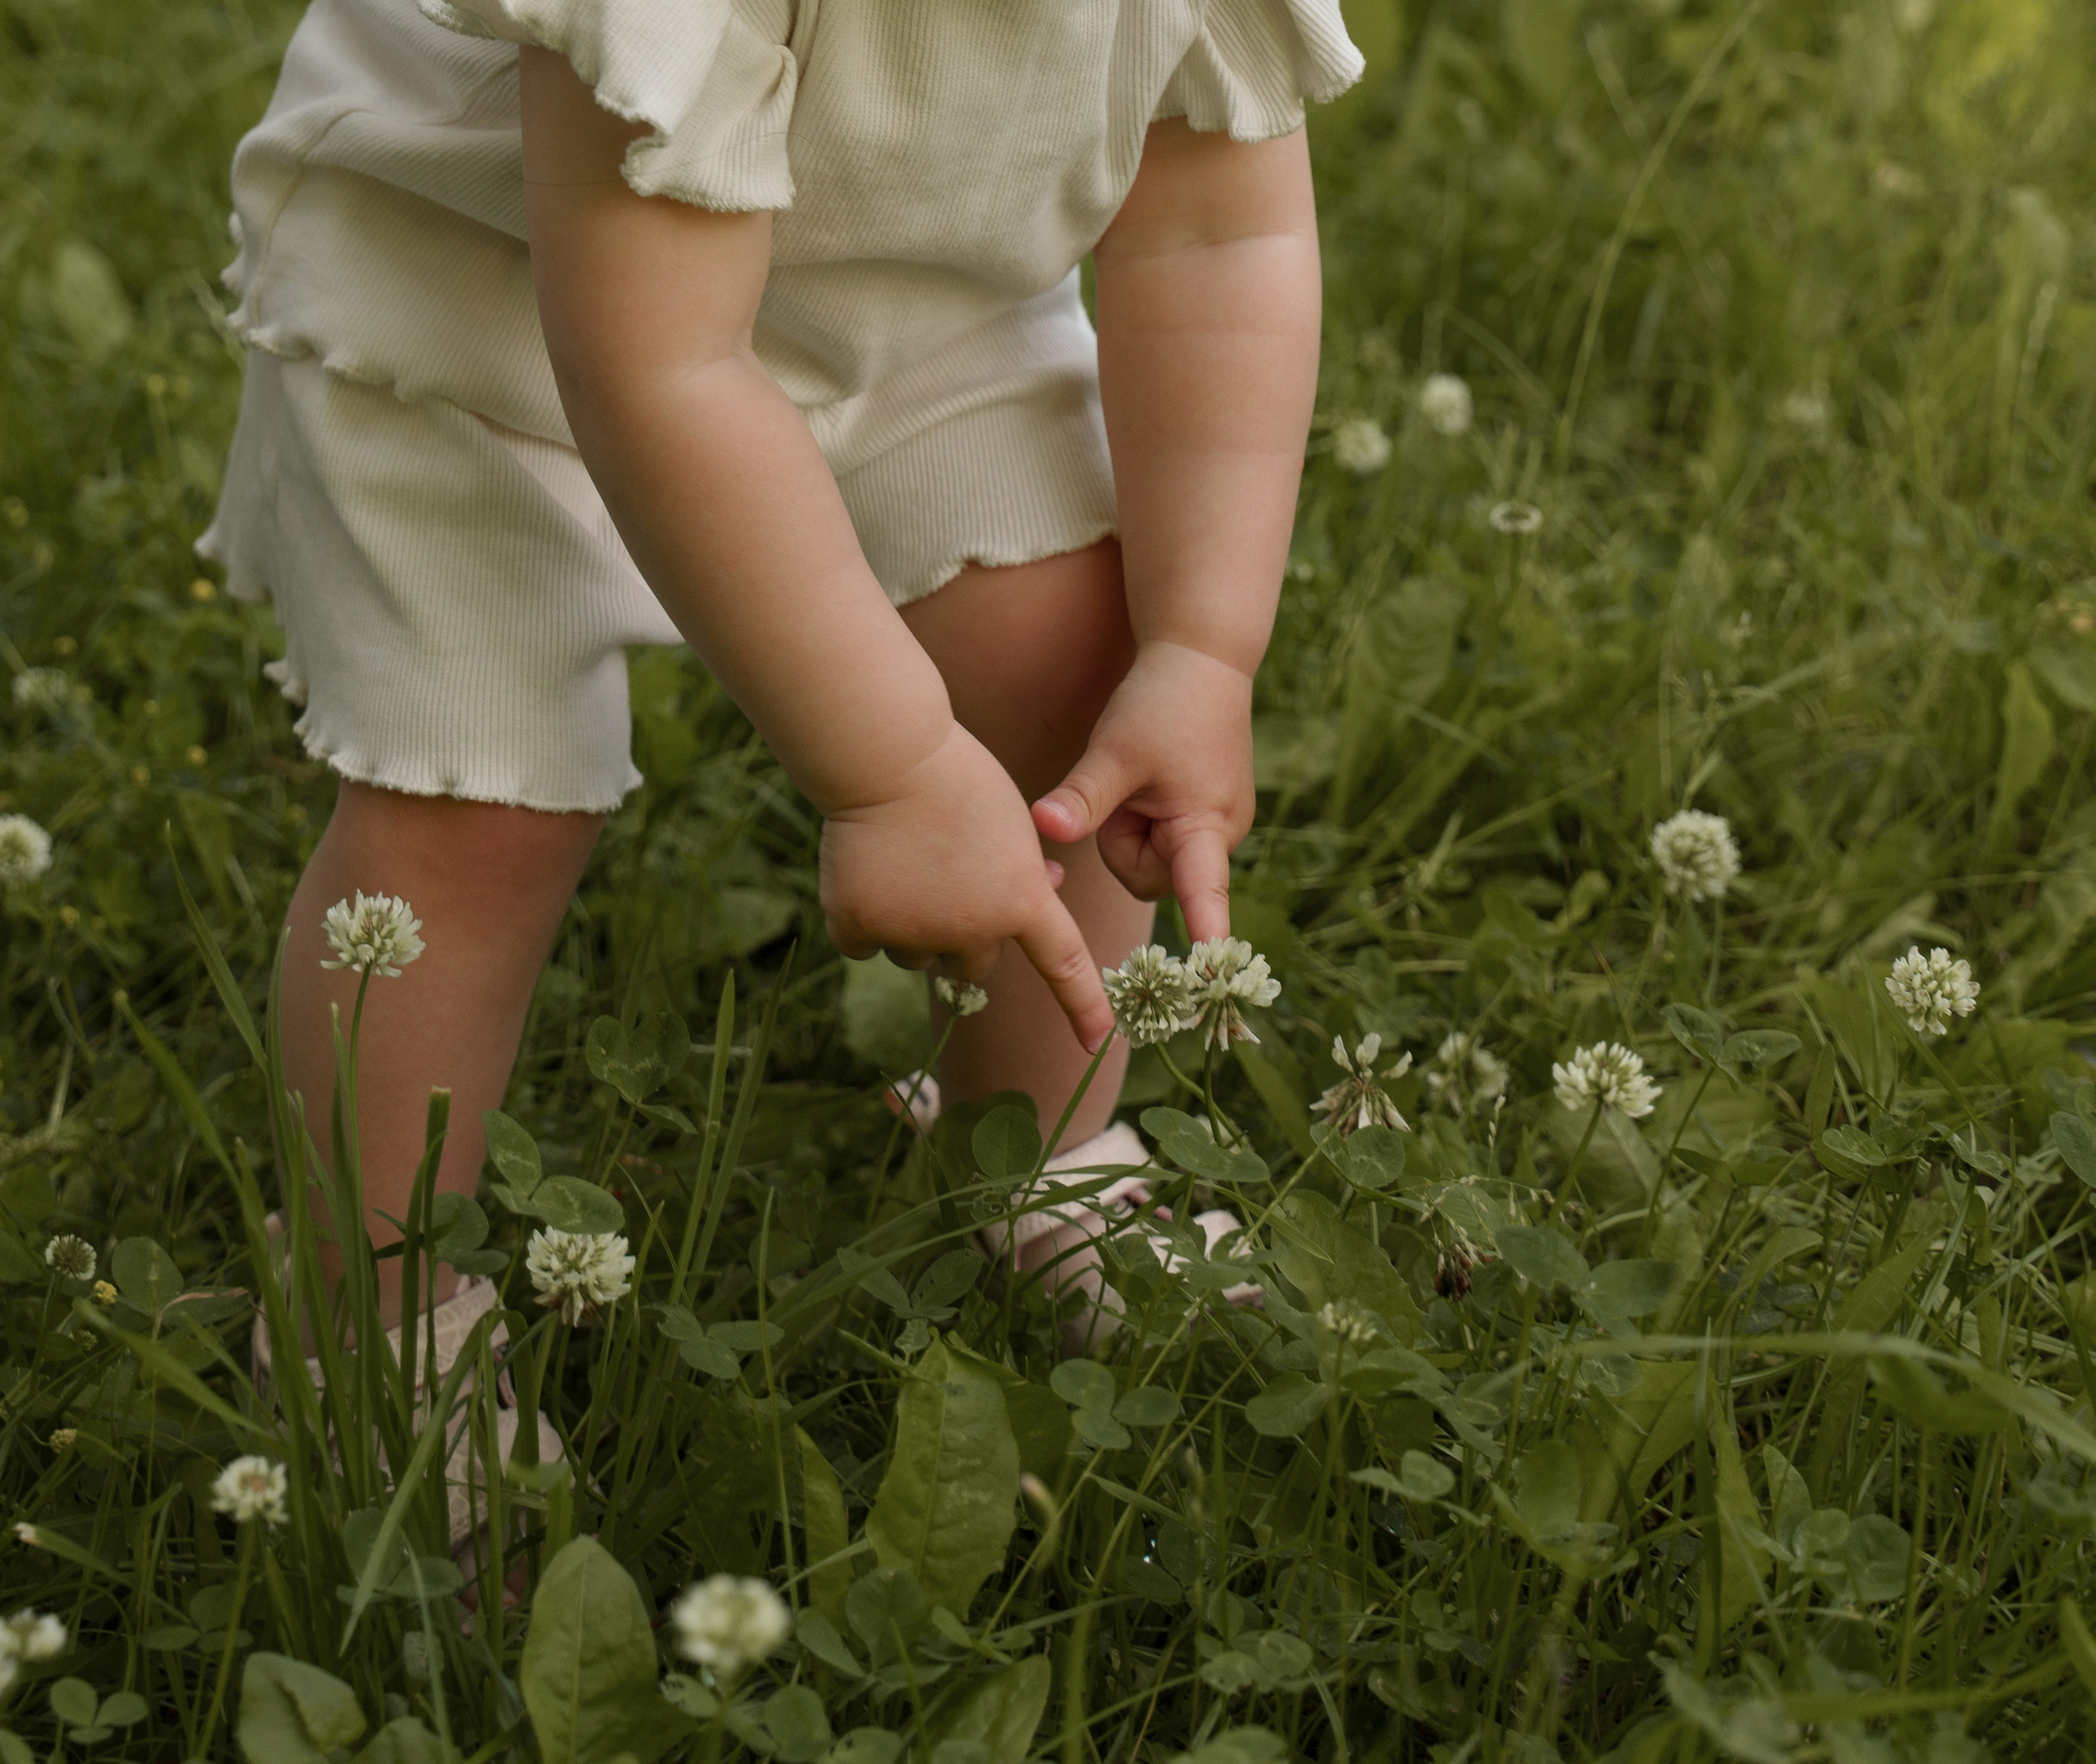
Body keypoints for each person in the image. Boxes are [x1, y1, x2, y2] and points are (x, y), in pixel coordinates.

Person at [199, 0, 1358, 1509]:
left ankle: (1040, 1149)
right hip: (492, 304)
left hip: (895, 290)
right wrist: (887, 767)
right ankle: (376, 1320)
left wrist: (1201, 648)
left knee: (1073, 669)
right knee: (467, 821)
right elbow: (657, 365)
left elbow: (1214, 236)